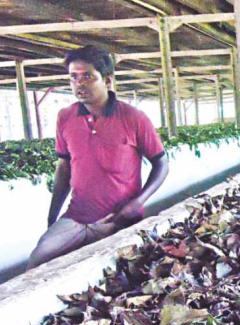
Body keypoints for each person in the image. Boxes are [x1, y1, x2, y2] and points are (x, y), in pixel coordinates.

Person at [28, 45, 169, 269]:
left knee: (114, 273)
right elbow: (64, 168)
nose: (79, 84)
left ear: (108, 80)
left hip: (118, 219)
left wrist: (138, 202)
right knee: (39, 259)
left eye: (88, 77)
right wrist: (52, 217)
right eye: (73, 77)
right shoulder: (65, 117)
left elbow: (161, 163)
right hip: (77, 216)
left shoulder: (133, 118)